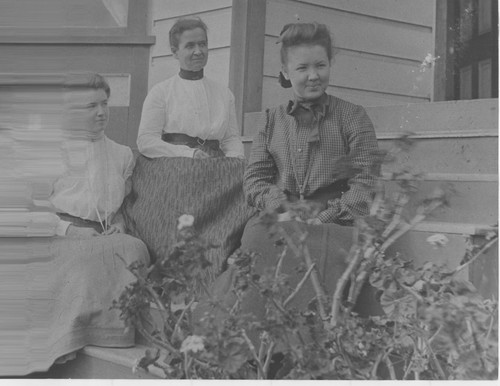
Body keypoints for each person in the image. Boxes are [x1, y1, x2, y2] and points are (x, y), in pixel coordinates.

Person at [195, 22, 382, 345]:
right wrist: (280, 207)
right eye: (302, 67)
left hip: (337, 220)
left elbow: (365, 184)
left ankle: (305, 347)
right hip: (279, 214)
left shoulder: (353, 117)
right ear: (285, 71)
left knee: (312, 246)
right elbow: (254, 179)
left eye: (320, 65)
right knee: (261, 238)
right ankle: (253, 346)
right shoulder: (271, 119)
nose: (313, 75)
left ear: (330, 64)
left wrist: (322, 216)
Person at [137, 17, 244, 159]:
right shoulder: (161, 92)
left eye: (202, 44)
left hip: (216, 167)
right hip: (175, 165)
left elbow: (231, 139)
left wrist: (234, 160)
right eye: (190, 46)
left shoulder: (224, 94)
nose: (198, 51)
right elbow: (146, 141)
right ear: (175, 52)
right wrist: (189, 153)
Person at [51, 72, 135, 237]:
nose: (101, 112)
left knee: (135, 251)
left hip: (105, 235)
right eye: (91, 106)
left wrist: (119, 224)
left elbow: (124, 206)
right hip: (62, 236)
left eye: (104, 104)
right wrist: (70, 230)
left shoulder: (123, 155)